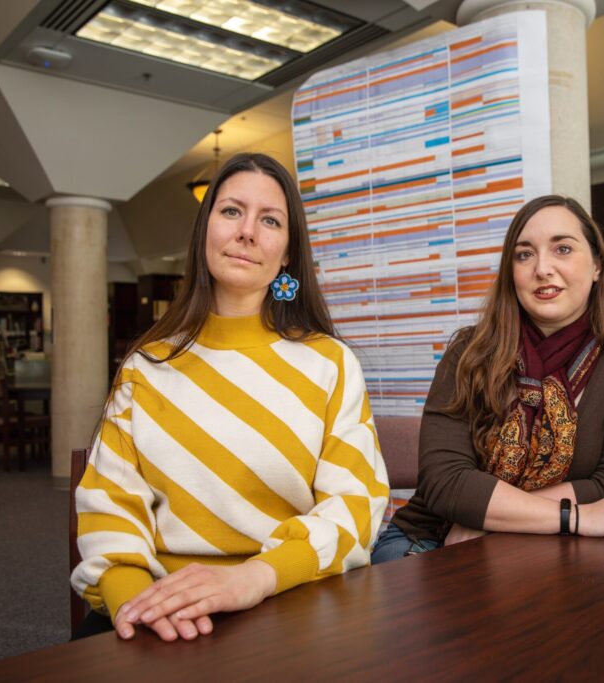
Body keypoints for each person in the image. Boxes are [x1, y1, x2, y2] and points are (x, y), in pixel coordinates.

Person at [71, 153, 390, 641]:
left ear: (287, 253)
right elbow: (108, 505)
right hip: (154, 610)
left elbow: (355, 506)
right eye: (231, 211)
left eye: (270, 220)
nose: (247, 232)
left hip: (285, 604)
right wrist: (143, 605)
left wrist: (253, 579)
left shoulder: (330, 363)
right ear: (205, 232)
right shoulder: (145, 367)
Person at [372, 195, 604, 562]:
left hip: (560, 546)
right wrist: (572, 516)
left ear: (596, 265)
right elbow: (443, 482)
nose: (542, 268)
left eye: (562, 249)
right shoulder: (469, 352)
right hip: (433, 540)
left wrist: (494, 521)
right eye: (524, 254)